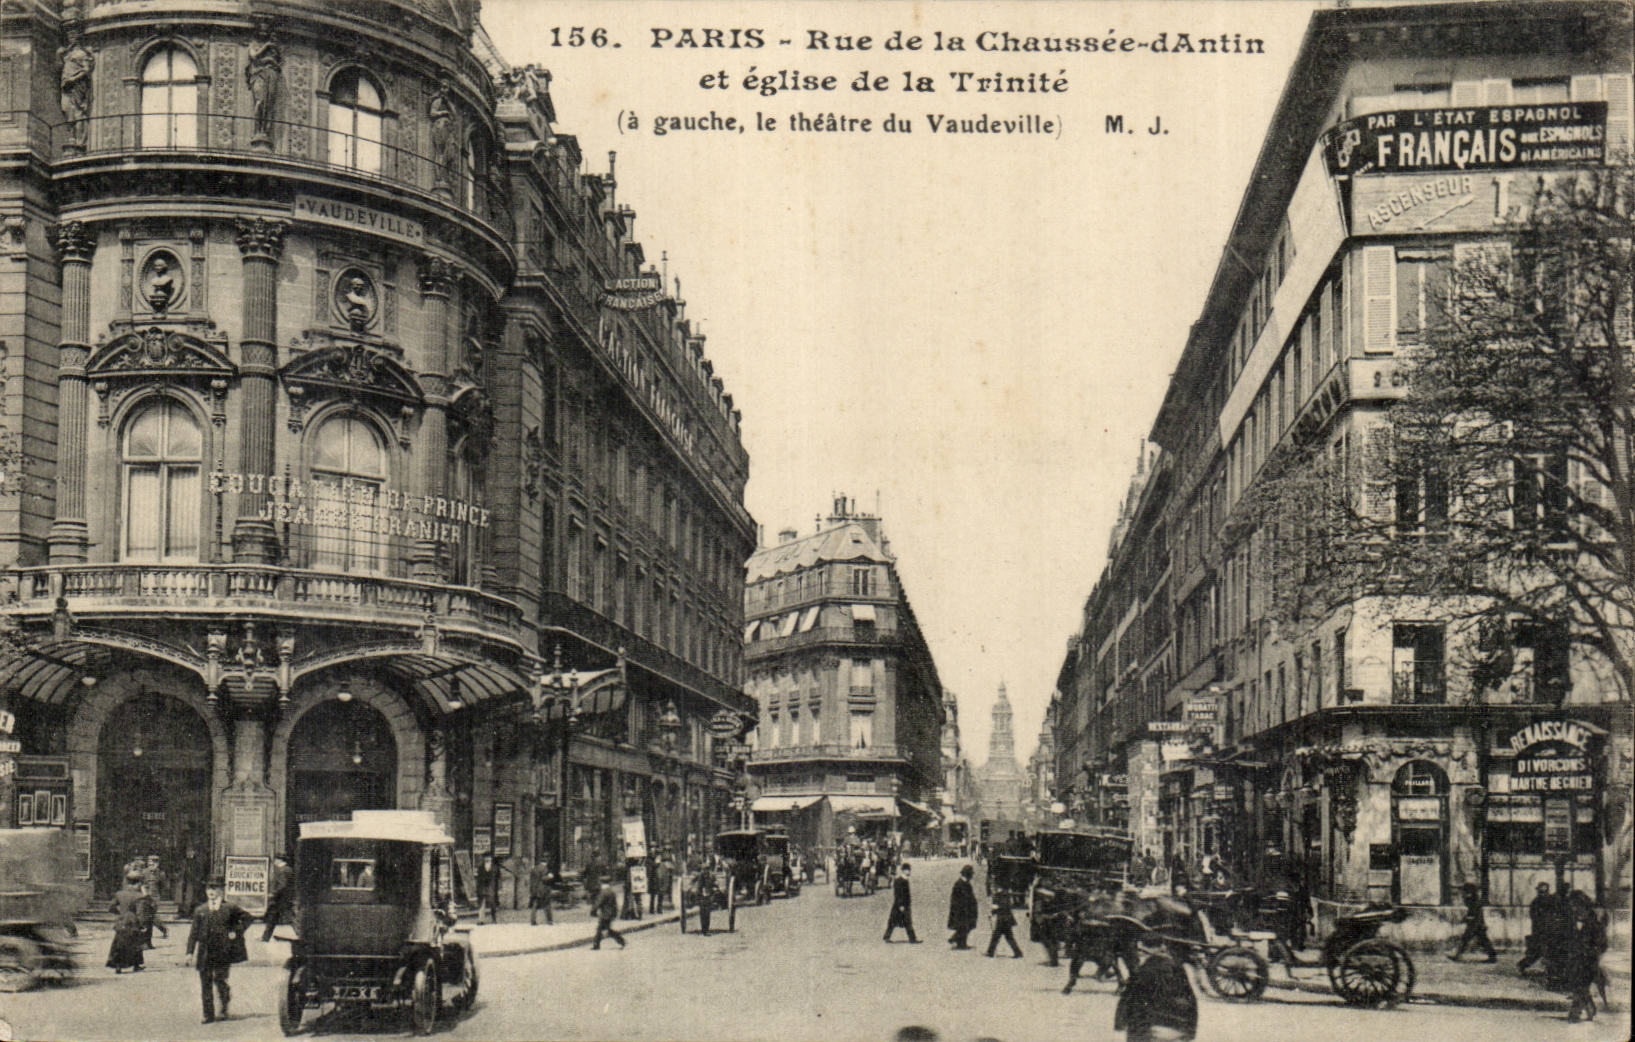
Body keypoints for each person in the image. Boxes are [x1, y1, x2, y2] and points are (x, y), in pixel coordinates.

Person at [185, 877, 251, 1024]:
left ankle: (224, 1000)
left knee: (220, 979)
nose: (211, 892)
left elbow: (248, 918)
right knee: (205, 982)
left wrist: (236, 931)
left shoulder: (230, 908)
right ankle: (208, 1014)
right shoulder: (200, 910)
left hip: (223, 951)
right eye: (209, 888)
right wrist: (189, 952)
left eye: (215, 888)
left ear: (222, 890)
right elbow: (193, 933)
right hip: (205, 952)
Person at [1115, 936, 1198, 1042]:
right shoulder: (1178, 969)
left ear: (1143, 949)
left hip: (1151, 1030)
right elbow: (1191, 999)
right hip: (1178, 1029)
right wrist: (1190, 1032)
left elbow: (1127, 1001)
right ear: (1162, 947)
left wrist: (1119, 1026)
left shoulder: (1142, 971)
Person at [1563, 889, 1604, 1023]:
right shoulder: (1572, 921)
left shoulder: (1594, 923)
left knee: (1581, 986)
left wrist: (1592, 952)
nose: (1574, 909)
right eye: (1572, 906)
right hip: (1574, 959)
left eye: (1576, 906)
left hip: (1588, 960)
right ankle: (1590, 1008)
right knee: (1578, 985)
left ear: (1583, 906)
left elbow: (1602, 944)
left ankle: (1575, 1013)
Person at [106, 871, 149, 973]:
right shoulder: (139, 896)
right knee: (135, 943)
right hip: (133, 922)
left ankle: (118, 966)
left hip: (121, 922)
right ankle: (136, 965)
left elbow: (111, 907)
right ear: (137, 883)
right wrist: (142, 925)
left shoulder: (119, 894)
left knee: (119, 944)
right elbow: (140, 913)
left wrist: (120, 913)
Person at [1518, 881, 1562, 975]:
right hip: (1540, 931)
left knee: (1550, 951)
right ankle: (1523, 965)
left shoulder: (1553, 900)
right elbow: (1535, 918)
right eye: (1541, 892)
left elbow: (1557, 913)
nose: (1543, 894)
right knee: (1538, 951)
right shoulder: (1535, 903)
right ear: (1538, 891)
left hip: (1551, 930)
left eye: (1545, 892)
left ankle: (1551, 970)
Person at [1449, 882, 1496, 962]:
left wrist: (1466, 919)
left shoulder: (1473, 900)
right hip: (1478, 924)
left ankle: (1457, 955)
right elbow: (1472, 912)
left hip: (1475, 924)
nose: (1463, 893)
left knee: (1466, 939)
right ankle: (1492, 957)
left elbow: (1473, 913)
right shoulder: (1473, 899)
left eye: (1465, 891)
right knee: (1483, 940)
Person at [883, 862, 919, 943]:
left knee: (903, 922)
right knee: (899, 921)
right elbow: (898, 894)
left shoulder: (904, 879)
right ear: (904, 871)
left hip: (903, 904)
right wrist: (901, 905)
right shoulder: (900, 880)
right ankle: (912, 939)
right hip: (901, 905)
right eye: (908, 870)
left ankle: (912, 938)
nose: (910, 872)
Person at [947, 864, 979, 949]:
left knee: (967, 926)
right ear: (967, 874)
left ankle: (956, 939)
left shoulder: (966, 883)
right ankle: (960, 943)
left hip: (966, 909)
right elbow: (958, 899)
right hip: (961, 910)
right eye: (971, 874)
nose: (972, 876)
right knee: (964, 926)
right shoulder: (959, 884)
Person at [590, 876, 626, 950]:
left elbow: (598, 903)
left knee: (605, 930)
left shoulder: (603, 892)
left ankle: (621, 941)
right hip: (611, 913)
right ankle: (596, 945)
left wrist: (593, 911)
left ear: (601, 883)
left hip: (605, 914)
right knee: (602, 929)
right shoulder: (611, 891)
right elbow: (615, 904)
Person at [261, 856, 292, 942]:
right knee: (276, 917)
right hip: (285, 898)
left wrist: (273, 894)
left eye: (274, 861)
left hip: (279, 899)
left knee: (272, 917)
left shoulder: (281, 870)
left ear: (278, 860)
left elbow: (282, 885)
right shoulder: (289, 869)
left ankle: (265, 937)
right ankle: (265, 937)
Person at [985, 892, 1023, 958]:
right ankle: (1018, 952)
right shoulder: (999, 894)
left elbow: (1005, 906)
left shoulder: (1003, 894)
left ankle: (990, 952)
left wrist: (997, 907)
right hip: (1004, 919)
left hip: (1004, 919)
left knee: (997, 936)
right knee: (1007, 937)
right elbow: (996, 906)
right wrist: (992, 913)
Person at [138, 880, 168, 950]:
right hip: (142, 900)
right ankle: (145, 943)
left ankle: (147, 943)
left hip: (148, 897)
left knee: (149, 920)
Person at [528, 858, 555, 926]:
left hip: (535, 889)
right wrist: (549, 876)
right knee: (547, 904)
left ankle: (533, 921)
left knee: (535, 905)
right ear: (546, 862)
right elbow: (543, 878)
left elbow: (532, 879)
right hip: (543, 889)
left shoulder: (534, 868)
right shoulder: (544, 869)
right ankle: (549, 921)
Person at [694, 864, 719, 935]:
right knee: (702, 914)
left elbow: (715, 884)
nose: (705, 871)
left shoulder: (711, 876)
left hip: (709, 897)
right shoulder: (700, 876)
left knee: (707, 914)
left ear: (708, 870)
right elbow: (697, 886)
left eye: (706, 869)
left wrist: (715, 888)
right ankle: (703, 930)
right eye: (704, 869)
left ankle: (706, 930)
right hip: (701, 897)